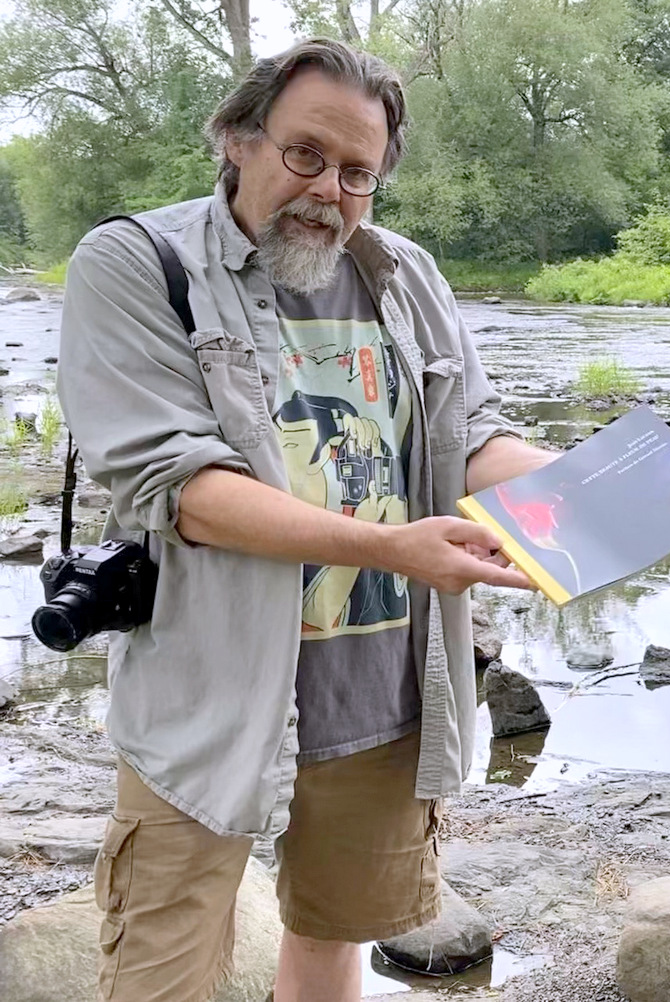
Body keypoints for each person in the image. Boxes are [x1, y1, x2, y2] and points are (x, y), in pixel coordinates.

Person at [57, 39, 560, 1002]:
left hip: (380, 690)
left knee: (333, 944)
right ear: (239, 139)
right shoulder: (136, 262)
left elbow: (470, 435)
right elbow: (180, 485)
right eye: (306, 155)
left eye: (359, 172)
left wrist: (589, 490)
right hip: (207, 698)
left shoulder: (405, 275)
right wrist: (386, 546)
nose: (329, 189)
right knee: (159, 975)